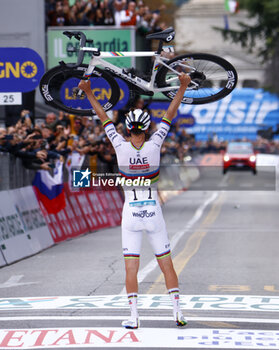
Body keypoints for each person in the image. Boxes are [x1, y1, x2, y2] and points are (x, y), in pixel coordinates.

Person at [78, 72, 191, 329]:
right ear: (147, 129)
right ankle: (177, 313)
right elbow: (170, 113)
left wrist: (88, 91)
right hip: (153, 213)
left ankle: (134, 317)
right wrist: (182, 86)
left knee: (131, 268)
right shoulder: (155, 145)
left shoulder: (119, 145)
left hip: (130, 213)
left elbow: (104, 116)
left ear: (128, 130)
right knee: (167, 264)